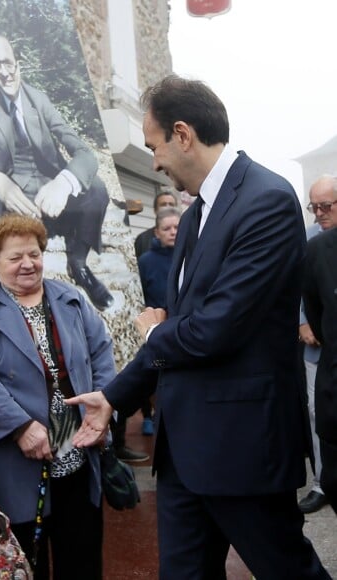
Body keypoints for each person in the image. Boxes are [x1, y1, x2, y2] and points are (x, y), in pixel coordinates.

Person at [67, 75, 330, 579]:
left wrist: (149, 332)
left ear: (182, 134)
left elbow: (213, 330)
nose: (156, 163)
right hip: (181, 451)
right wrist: (115, 397)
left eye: (154, 147)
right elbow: (180, 328)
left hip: (241, 447)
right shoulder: (193, 218)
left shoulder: (267, 200)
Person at [0, 213, 116, 580]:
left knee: (82, 559)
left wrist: (102, 409)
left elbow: (102, 352)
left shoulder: (70, 297)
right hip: (17, 462)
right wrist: (20, 426)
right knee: (26, 563)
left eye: (34, 254)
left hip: (77, 454)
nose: (28, 264)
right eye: (14, 258)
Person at [0, 30, 113, 311]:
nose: (4, 73)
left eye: (8, 62)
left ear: (19, 62)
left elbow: (85, 153)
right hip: (15, 201)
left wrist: (63, 183)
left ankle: (79, 265)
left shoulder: (40, 100)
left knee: (96, 188)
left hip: (52, 198)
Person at [298, 175, 337, 513]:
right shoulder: (309, 241)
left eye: (327, 206)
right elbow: (300, 291)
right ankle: (322, 482)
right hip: (318, 347)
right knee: (317, 415)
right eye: (315, 207)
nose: (320, 213)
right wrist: (303, 322)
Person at [136, 206, 180, 436]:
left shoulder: (190, 256)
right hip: (154, 327)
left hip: (181, 326)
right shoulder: (146, 261)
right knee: (150, 371)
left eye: (176, 227)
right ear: (157, 232)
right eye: (167, 228)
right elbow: (140, 292)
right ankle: (149, 415)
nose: (173, 232)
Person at [133, 188, 179, 258]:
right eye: (163, 205)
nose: (167, 207)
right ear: (155, 210)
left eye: (171, 204)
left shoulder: (186, 237)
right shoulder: (143, 239)